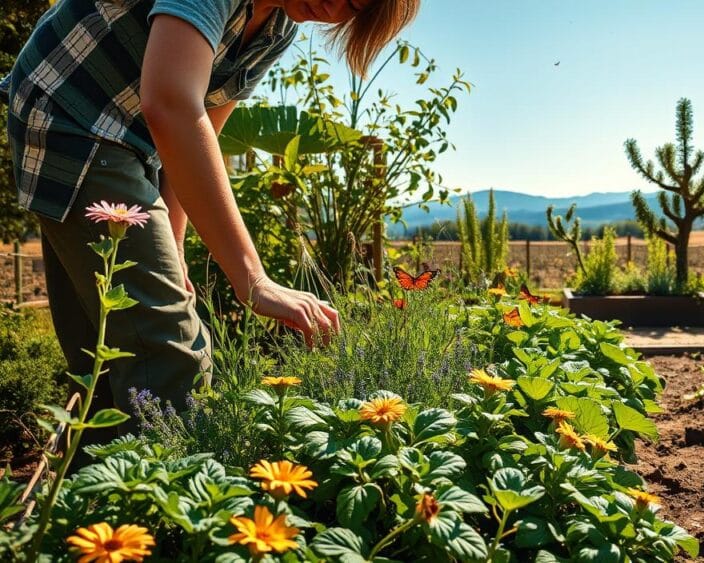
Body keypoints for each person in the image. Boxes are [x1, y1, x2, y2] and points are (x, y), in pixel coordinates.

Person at [2, 0, 420, 437]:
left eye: (352, 8)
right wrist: (253, 279)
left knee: (106, 353)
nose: (332, 6)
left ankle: (86, 496)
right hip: (70, 114)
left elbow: (202, 132)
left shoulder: (276, 28)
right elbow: (170, 104)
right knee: (172, 352)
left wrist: (175, 247)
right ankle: (166, 497)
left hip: (131, 144)